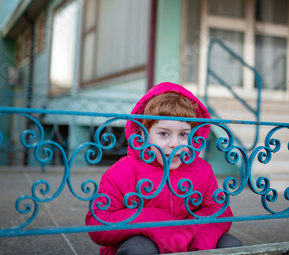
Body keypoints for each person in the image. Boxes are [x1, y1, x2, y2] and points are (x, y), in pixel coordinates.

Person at [85, 82, 241, 254]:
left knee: (230, 245)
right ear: (144, 135)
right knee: (140, 248)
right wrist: (151, 220)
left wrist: (199, 232)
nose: (174, 144)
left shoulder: (201, 169)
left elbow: (218, 209)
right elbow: (98, 222)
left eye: (183, 134)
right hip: (140, 243)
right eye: (164, 133)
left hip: (188, 242)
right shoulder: (123, 171)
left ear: (194, 136)